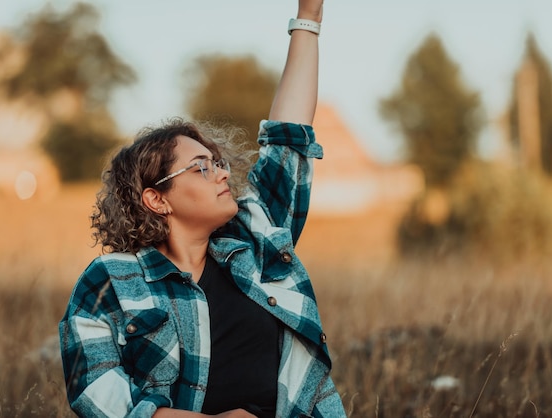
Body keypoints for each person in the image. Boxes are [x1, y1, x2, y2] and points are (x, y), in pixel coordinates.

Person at [59, 0, 346, 416]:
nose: (221, 174)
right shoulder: (110, 282)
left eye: (218, 163)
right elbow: (97, 396)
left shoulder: (255, 237)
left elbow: (288, 139)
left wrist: (310, 15)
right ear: (157, 199)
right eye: (199, 167)